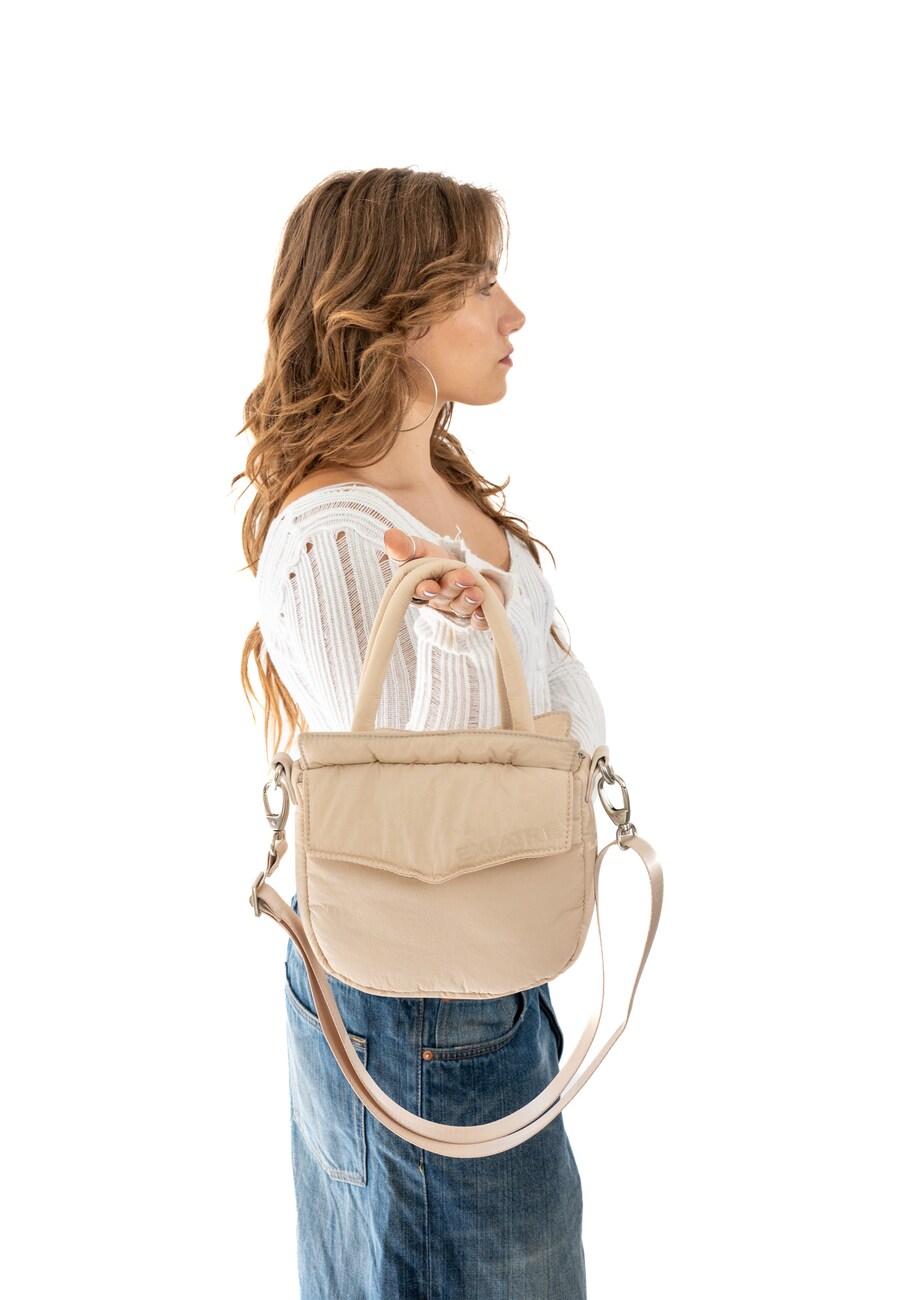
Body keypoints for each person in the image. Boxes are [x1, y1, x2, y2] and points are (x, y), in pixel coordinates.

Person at [235, 166, 606, 1299]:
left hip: (489, 971)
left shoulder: (454, 505)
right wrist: (452, 645)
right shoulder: (330, 536)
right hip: (414, 988)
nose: (513, 315)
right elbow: (424, 812)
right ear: (393, 312)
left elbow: (566, 726)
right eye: (481, 285)